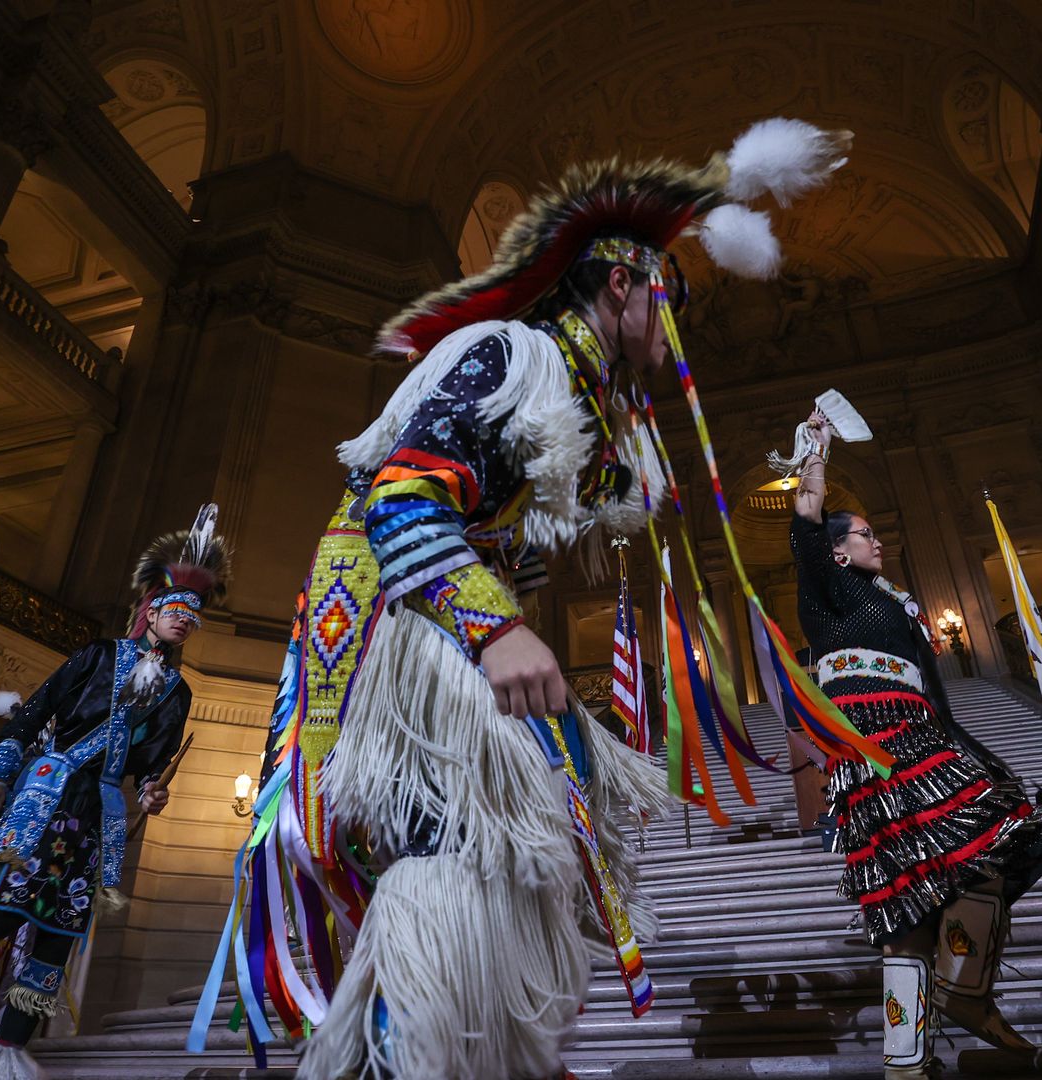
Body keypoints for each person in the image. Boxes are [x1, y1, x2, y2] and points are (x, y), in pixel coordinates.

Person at [204, 119, 854, 1080]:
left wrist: (522, 588)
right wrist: (497, 628)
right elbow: (404, 493)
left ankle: (474, 1052)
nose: (672, 325)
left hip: (442, 628)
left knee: (498, 861)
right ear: (623, 283)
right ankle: (417, 1052)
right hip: (404, 647)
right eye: (666, 297)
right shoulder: (512, 355)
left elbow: (507, 528)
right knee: (449, 853)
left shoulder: (582, 398)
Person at [0, 505, 228, 1078]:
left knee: (60, 932)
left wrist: (154, 790)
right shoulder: (97, 657)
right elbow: (33, 713)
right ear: (152, 613)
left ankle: (5, 1055)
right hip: (49, 793)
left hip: (100, 812)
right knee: (7, 906)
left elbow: (152, 763)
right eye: (176, 610)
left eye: (193, 617)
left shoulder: (178, 693)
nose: (185, 621)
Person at [788, 409, 1042, 1075]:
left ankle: (933, 1027)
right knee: (922, 897)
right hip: (875, 746)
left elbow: (936, 695)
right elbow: (803, 519)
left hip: (924, 737)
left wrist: (976, 751)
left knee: (977, 861)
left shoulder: (896, 606)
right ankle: (926, 1039)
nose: (877, 542)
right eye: (865, 534)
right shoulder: (825, 593)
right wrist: (817, 454)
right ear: (836, 551)